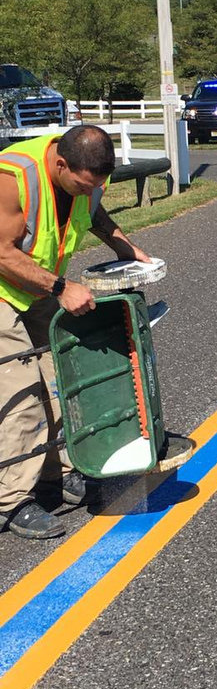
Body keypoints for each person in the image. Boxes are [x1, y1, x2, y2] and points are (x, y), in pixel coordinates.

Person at [0, 125, 151, 539]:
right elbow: (1, 251)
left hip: (34, 284)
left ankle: (57, 471)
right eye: (83, 185)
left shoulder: (87, 180)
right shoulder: (13, 177)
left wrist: (123, 245)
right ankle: (10, 501)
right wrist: (62, 288)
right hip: (3, 285)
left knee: (61, 379)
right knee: (24, 392)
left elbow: (94, 211)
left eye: (97, 186)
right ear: (61, 163)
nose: (90, 192)